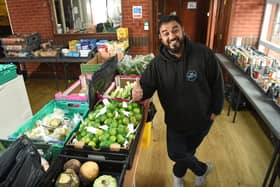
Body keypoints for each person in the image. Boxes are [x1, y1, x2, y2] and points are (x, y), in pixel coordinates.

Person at [132, 15, 224, 187]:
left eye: (175, 30)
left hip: (202, 119)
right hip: (175, 121)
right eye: (165, 33)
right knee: (176, 153)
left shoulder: (203, 53)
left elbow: (217, 82)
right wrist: (139, 93)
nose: (171, 36)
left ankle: (178, 175)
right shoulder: (157, 64)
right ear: (160, 37)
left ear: (183, 30)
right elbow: (145, 88)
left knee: (188, 151)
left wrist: (215, 110)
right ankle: (202, 169)